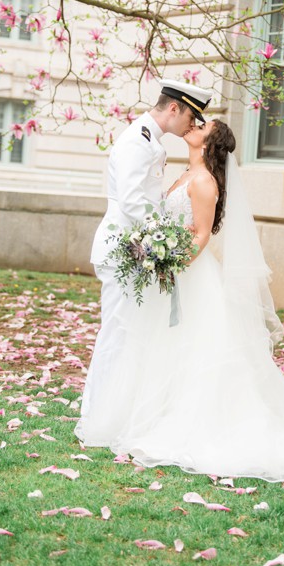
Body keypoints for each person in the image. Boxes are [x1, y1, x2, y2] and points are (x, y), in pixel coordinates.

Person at [87, 119, 284, 482]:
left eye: (203, 126)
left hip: (190, 276)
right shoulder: (184, 174)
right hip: (174, 275)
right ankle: (155, 414)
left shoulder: (205, 181)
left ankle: (191, 421)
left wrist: (170, 264)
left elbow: (201, 235)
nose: (194, 126)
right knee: (165, 346)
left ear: (212, 142)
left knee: (194, 348)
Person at [78, 80, 212, 446]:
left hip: (135, 250)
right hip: (121, 248)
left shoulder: (149, 141)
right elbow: (132, 202)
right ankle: (94, 418)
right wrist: (164, 236)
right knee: (117, 333)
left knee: (127, 334)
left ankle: (112, 413)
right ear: (174, 109)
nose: (191, 126)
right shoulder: (137, 141)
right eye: (190, 117)